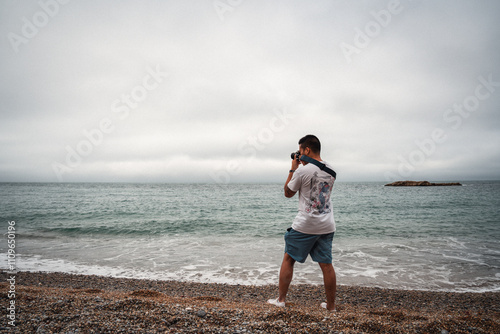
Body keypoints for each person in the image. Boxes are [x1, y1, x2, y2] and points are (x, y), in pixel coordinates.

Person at [267, 134, 337, 311]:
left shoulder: (301, 171)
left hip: (306, 224)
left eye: (300, 151)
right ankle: (331, 306)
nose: (299, 154)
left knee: (288, 258)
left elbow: (288, 193)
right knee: (326, 264)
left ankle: (281, 300)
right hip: (327, 224)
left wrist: (293, 168)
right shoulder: (331, 170)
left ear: (306, 150)